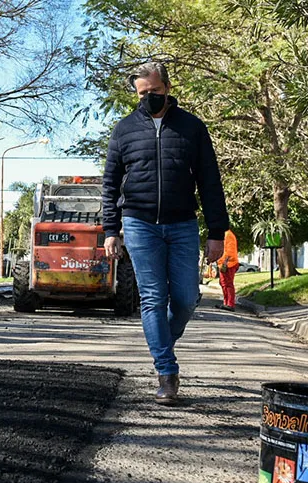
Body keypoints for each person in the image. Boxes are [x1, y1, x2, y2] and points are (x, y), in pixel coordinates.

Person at [101, 62, 229, 404]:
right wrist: (111, 230)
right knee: (153, 298)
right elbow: (110, 184)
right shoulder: (124, 130)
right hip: (139, 223)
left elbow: (210, 181)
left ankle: (161, 343)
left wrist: (217, 231)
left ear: (168, 88)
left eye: (155, 91)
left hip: (182, 223)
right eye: (143, 93)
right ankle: (167, 373)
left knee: (186, 298)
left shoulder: (192, 127)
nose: (149, 98)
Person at [216, 230, 239, 311]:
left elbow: (230, 251)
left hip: (229, 264)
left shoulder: (228, 235)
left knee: (228, 284)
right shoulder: (223, 234)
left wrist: (225, 262)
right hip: (223, 263)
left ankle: (230, 304)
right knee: (223, 284)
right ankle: (226, 303)